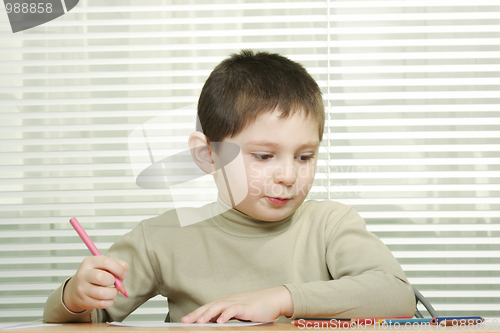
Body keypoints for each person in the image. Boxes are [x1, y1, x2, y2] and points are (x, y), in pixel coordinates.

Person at [43, 50, 415, 324]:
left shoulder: (330, 224)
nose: (288, 175)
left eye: (304, 157)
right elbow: (76, 321)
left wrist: (282, 299)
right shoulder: (161, 238)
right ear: (208, 156)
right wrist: (75, 298)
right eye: (264, 156)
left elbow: (396, 296)